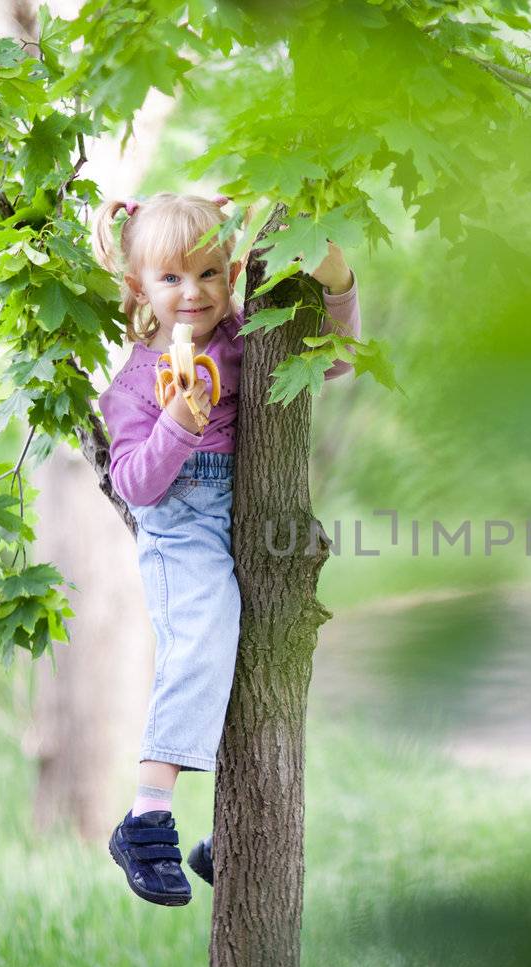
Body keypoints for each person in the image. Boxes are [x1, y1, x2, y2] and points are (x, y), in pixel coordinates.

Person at [90, 192, 360, 905]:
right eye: (171, 279)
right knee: (200, 642)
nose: (194, 293)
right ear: (139, 287)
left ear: (233, 271)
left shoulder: (246, 340)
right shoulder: (133, 385)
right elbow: (136, 487)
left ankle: (235, 833)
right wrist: (178, 420)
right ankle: (146, 817)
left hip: (246, 520)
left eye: (210, 274)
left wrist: (336, 284)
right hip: (181, 530)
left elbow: (328, 363)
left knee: (263, 661)